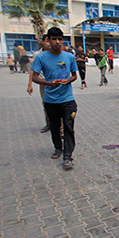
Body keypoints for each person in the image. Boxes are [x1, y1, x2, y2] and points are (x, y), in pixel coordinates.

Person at [30, 27, 78, 170]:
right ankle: (58, 147)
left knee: (68, 127)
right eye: (54, 39)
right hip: (51, 99)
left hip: (67, 98)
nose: (57, 42)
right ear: (48, 40)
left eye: (60, 39)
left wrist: (68, 80)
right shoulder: (41, 57)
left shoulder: (69, 56)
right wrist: (48, 83)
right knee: (55, 127)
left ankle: (68, 156)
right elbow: (34, 77)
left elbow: (75, 75)